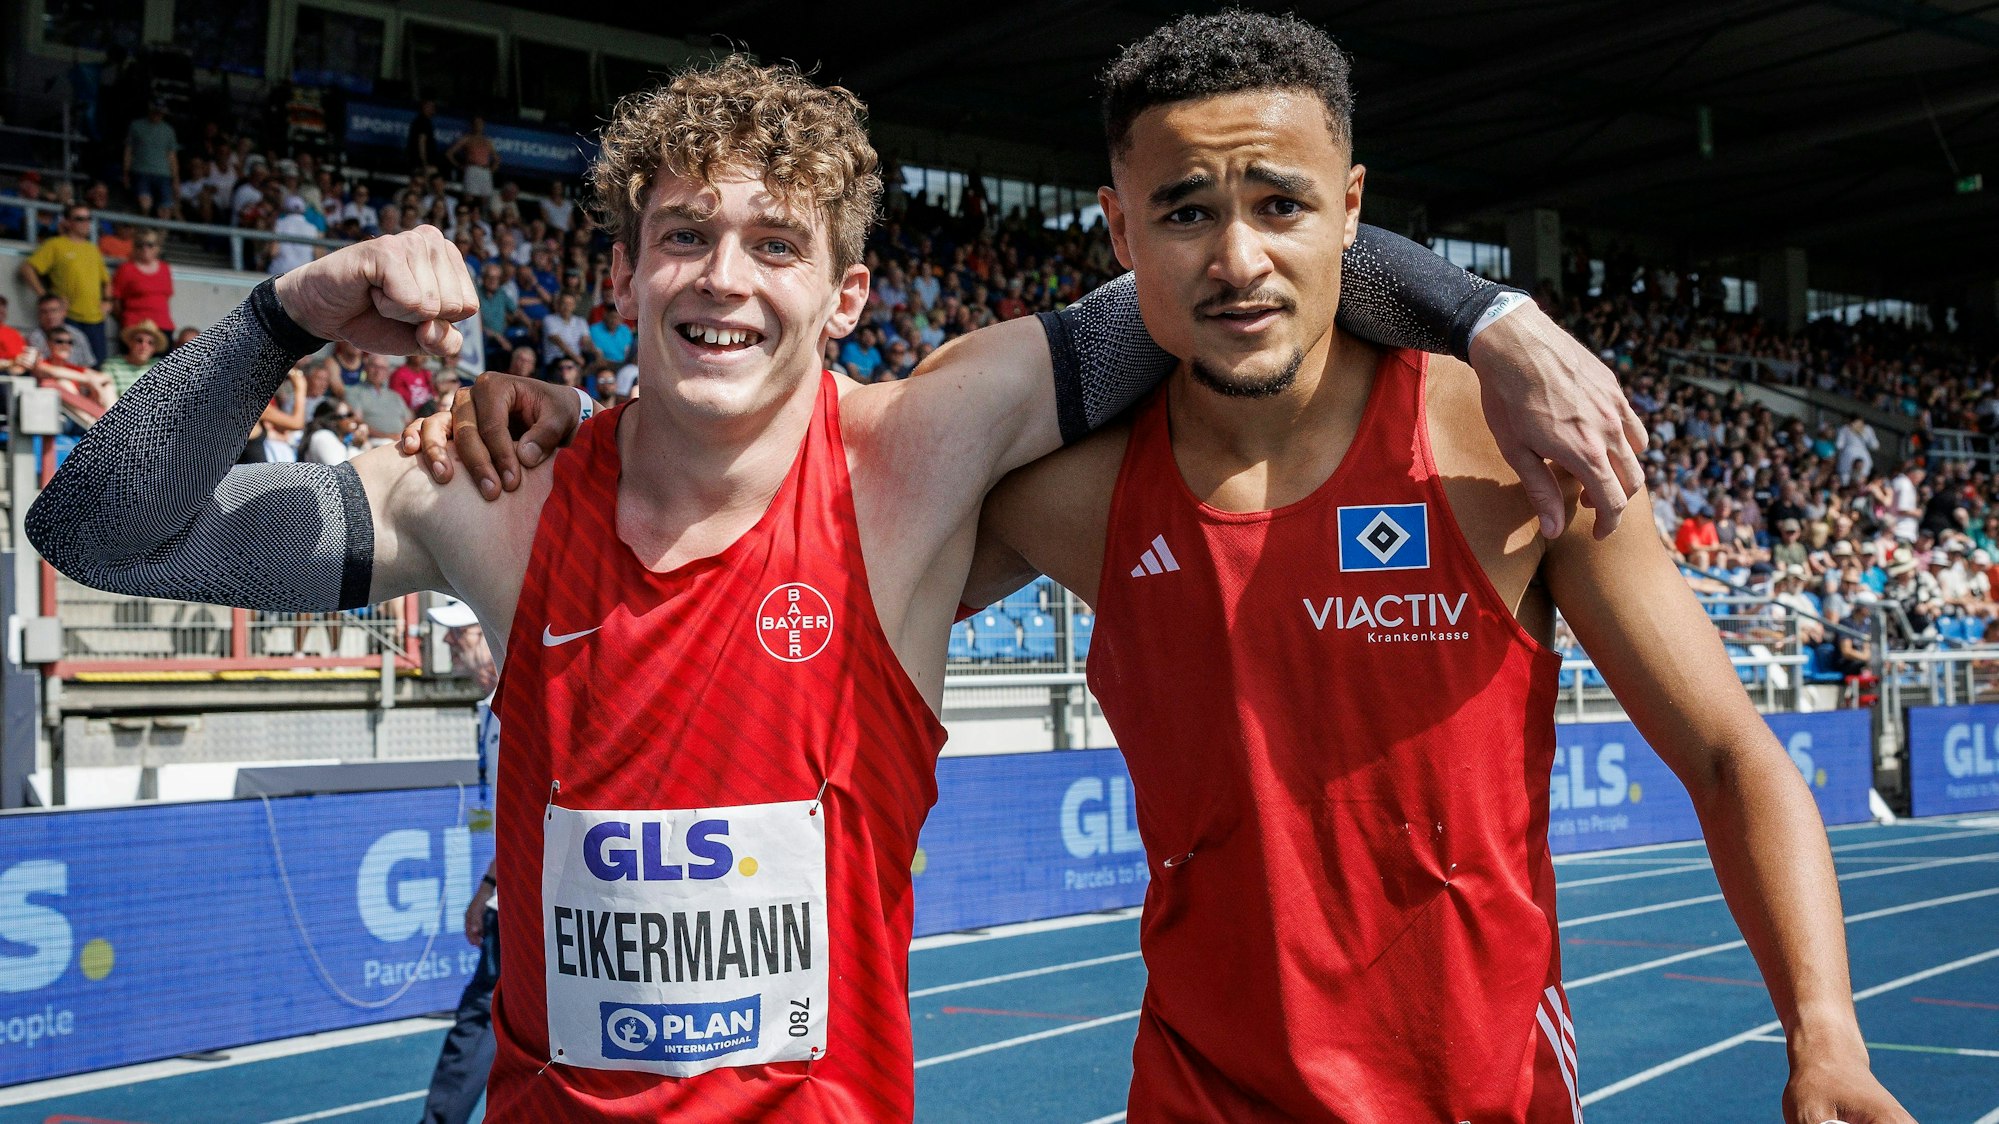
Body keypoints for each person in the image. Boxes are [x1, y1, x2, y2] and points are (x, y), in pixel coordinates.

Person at [30, 55, 1640, 1121]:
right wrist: (287, 315)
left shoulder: (911, 460)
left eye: (774, 245)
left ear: (844, 293)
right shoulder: (491, 498)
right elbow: (98, 530)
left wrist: (1485, 320)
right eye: (680, 238)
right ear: (620, 276)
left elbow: (1219, 256)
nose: (722, 277)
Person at [445, 22, 1902, 1122]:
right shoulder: (1066, 497)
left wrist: (1820, 1030)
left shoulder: (1502, 451)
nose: (1238, 258)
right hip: (1192, 1095)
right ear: (1119, 230)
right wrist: (604, 434)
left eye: (1279, 206)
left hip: (1482, 1096)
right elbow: (769, 548)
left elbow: (1726, 755)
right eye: (1187, 214)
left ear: (1351, 212)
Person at [18, 203, 112, 362]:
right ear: (67, 222)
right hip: (68, 318)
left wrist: (108, 302)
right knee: (67, 363)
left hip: (95, 319)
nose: (85, 223)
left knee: (96, 366)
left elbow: (106, 281)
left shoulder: (92, 249)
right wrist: (46, 297)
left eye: (88, 219)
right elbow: (27, 269)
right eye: (80, 219)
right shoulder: (55, 245)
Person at [111, 231, 175, 336]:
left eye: (149, 245)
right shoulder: (126, 269)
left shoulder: (165, 268)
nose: (145, 248)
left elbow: (166, 298)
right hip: (135, 326)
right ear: (135, 248)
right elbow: (116, 302)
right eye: (140, 245)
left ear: (157, 247)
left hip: (163, 325)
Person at [124, 102, 179, 217]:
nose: (157, 114)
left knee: (165, 208)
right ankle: (144, 230)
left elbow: (172, 156)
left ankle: (161, 235)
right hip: (141, 171)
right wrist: (126, 173)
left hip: (164, 174)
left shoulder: (169, 130)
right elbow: (129, 151)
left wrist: (175, 180)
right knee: (145, 204)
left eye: (160, 112)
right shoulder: (136, 125)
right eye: (155, 110)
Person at [102, 319, 165, 395]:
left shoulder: (160, 367)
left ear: (155, 348)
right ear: (130, 343)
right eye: (139, 340)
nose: (144, 346)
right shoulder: (112, 366)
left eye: (150, 343)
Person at [448, 116, 500, 206]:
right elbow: (449, 153)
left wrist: (491, 171)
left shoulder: (487, 141)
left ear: (483, 125)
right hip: (472, 169)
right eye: (476, 123)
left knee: (484, 199)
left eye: (480, 124)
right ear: (472, 125)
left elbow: (496, 159)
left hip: (485, 170)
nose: (478, 126)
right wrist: (459, 166)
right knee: (468, 198)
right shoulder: (467, 138)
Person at [269, 197, 322, 276]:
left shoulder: (279, 224)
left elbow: (273, 252)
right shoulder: (312, 228)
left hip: (279, 272)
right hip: (303, 274)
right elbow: (319, 255)